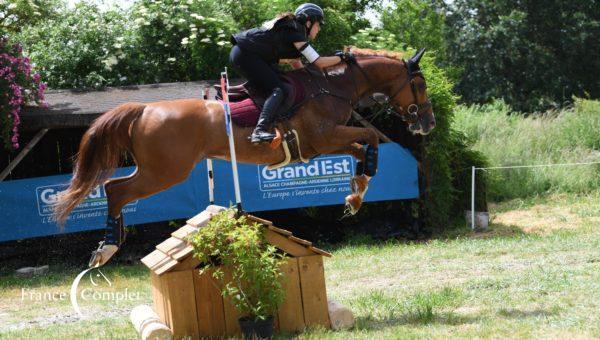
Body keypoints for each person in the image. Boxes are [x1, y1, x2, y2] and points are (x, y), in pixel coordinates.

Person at [230, 3, 354, 144]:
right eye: (318, 25)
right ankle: (259, 131)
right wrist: (342, 57)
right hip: (246, 55)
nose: (319, 29)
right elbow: (318, 62)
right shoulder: (295, 33)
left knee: (282, 84)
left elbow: (298, 67)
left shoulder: (294, 31)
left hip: (246, 54)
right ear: (308, 22)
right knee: (278, 90)